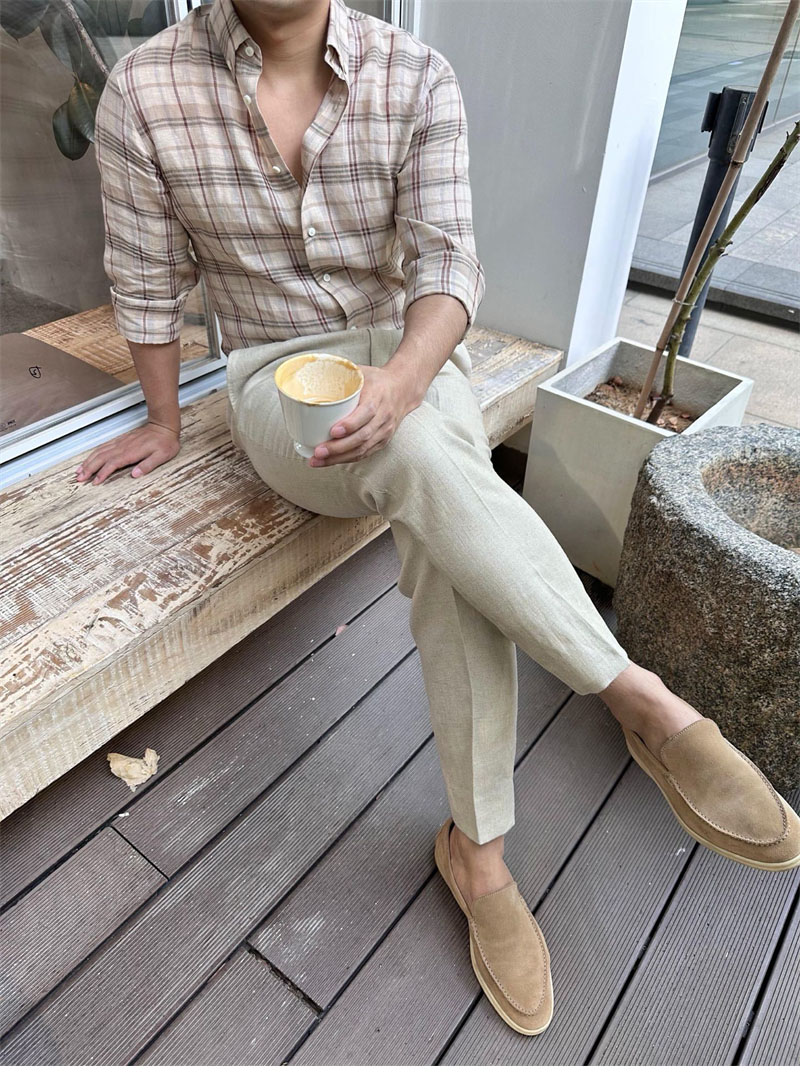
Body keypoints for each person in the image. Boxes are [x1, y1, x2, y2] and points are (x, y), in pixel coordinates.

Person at [78, 0, 800, 1038]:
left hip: (416, 360)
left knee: (431, 496)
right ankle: (637, 697)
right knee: (425, 461)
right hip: (277, 382)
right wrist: (161, 419)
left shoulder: (414, 73)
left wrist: (408, 375)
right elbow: (146, 278)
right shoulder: (146, 90)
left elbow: (447, 265)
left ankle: (480, 852)